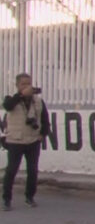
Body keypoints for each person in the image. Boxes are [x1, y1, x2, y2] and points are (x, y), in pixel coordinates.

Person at [2, 73, 51, 210]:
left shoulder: (38, 101)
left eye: (28, 83)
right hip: (15, 141)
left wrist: (43, 134)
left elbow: (45, 120)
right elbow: (8, 106)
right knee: (11, 170)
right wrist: (21, 95)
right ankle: (6, 200)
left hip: (33, 140)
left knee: (33, 170)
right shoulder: (12, 99)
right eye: (23, 84)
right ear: (17, 85)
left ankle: (30, 197)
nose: (26, 86)